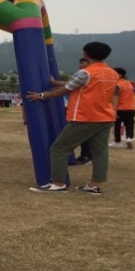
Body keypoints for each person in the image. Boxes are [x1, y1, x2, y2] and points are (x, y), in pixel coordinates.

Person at [26, 42, 119, 194]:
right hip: (106, 117)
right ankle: (94, 185)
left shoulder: (85, 72)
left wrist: (42, 95)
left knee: (59, 148)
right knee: (100, 152)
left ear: (86, 54)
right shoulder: (112, 73)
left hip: (85, 117)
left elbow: (64, 90)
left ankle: (58, 184)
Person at [51, 58, 92, 165]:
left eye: (82, 63)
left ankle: (86, 156)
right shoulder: (92, 75)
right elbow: (71, 87)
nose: (80, 65)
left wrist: (54, 83)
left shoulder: (88, 74)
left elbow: (69, 84)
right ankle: (88, 155)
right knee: (87, 135)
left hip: (84, 111)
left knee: (79, 134)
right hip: (85, 111)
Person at [109, 67, 135, 149]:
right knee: (129, 124)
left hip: (120, 108)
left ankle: (117, 141)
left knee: (117, 125)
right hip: (131, 108)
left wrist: (114, 109)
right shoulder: (129, 83)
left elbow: (115, 97)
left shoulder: (117, 84)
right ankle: (129, 138)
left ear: (120, 75)